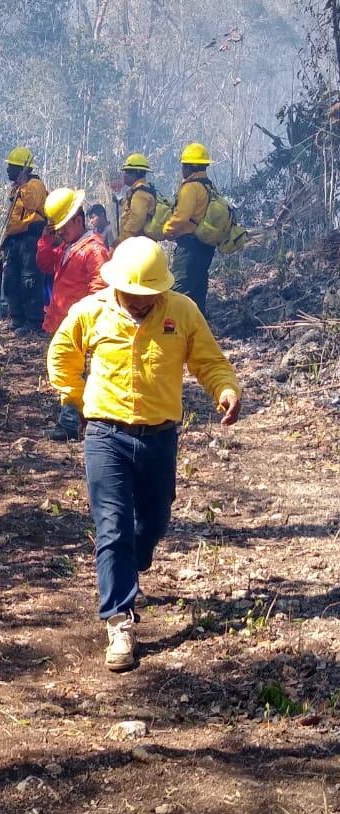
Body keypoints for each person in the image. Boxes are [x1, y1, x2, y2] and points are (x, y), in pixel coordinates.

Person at [46, 237, 241, 673]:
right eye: (132, 295)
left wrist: (225, 390)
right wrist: (72, 398)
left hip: (159, 436)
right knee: (111, 526)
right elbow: (61, 353)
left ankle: (134, 565)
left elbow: (209, 361)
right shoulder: (92, 311)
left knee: (154, 518)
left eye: (147, 296)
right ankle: (119, 620)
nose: (139, 302)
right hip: (105, 433)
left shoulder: (182, 311)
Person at [36, 188, 110, 438]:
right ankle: (73, 421)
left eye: (64, 227)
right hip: (63, 323)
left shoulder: (94, 249)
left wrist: (86, 323)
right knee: (65, 371)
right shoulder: (70, 246)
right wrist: (46, 239)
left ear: (78, 219)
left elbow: (100, 289)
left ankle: (73, 424)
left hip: (80, 327)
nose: (60, 232)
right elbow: (45, 264)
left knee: (72, 373)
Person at [163, 142, 216, 313]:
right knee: (198, 290)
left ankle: (172, 331)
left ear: (190, 167)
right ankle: (198, 330)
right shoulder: (208, 186)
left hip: (190, 247)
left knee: (178, 291)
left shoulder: (190, 187)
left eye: (184, 165)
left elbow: (182, 215)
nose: (182, 170)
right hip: (206, 246)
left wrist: (167, 229)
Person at [1, 146, 48, 333]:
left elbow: (32, 205)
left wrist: (24, 184)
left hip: (30, 238)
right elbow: (12, 218)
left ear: (22, 169)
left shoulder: (35, 185)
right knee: (11, 280)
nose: (7, 170)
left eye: (11, 166)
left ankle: (34, 322)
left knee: (29, 280)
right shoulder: (17, 187)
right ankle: (17, 318)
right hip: (15, 239)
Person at [117, 153, 156, 245]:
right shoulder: (138, 192)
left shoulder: (140, 194)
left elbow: (136, 220)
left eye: (128, 172)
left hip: (138, 246)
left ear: (136, 173)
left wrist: (121, 241)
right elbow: (131, 206)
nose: (124, 175)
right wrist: (120, 201)